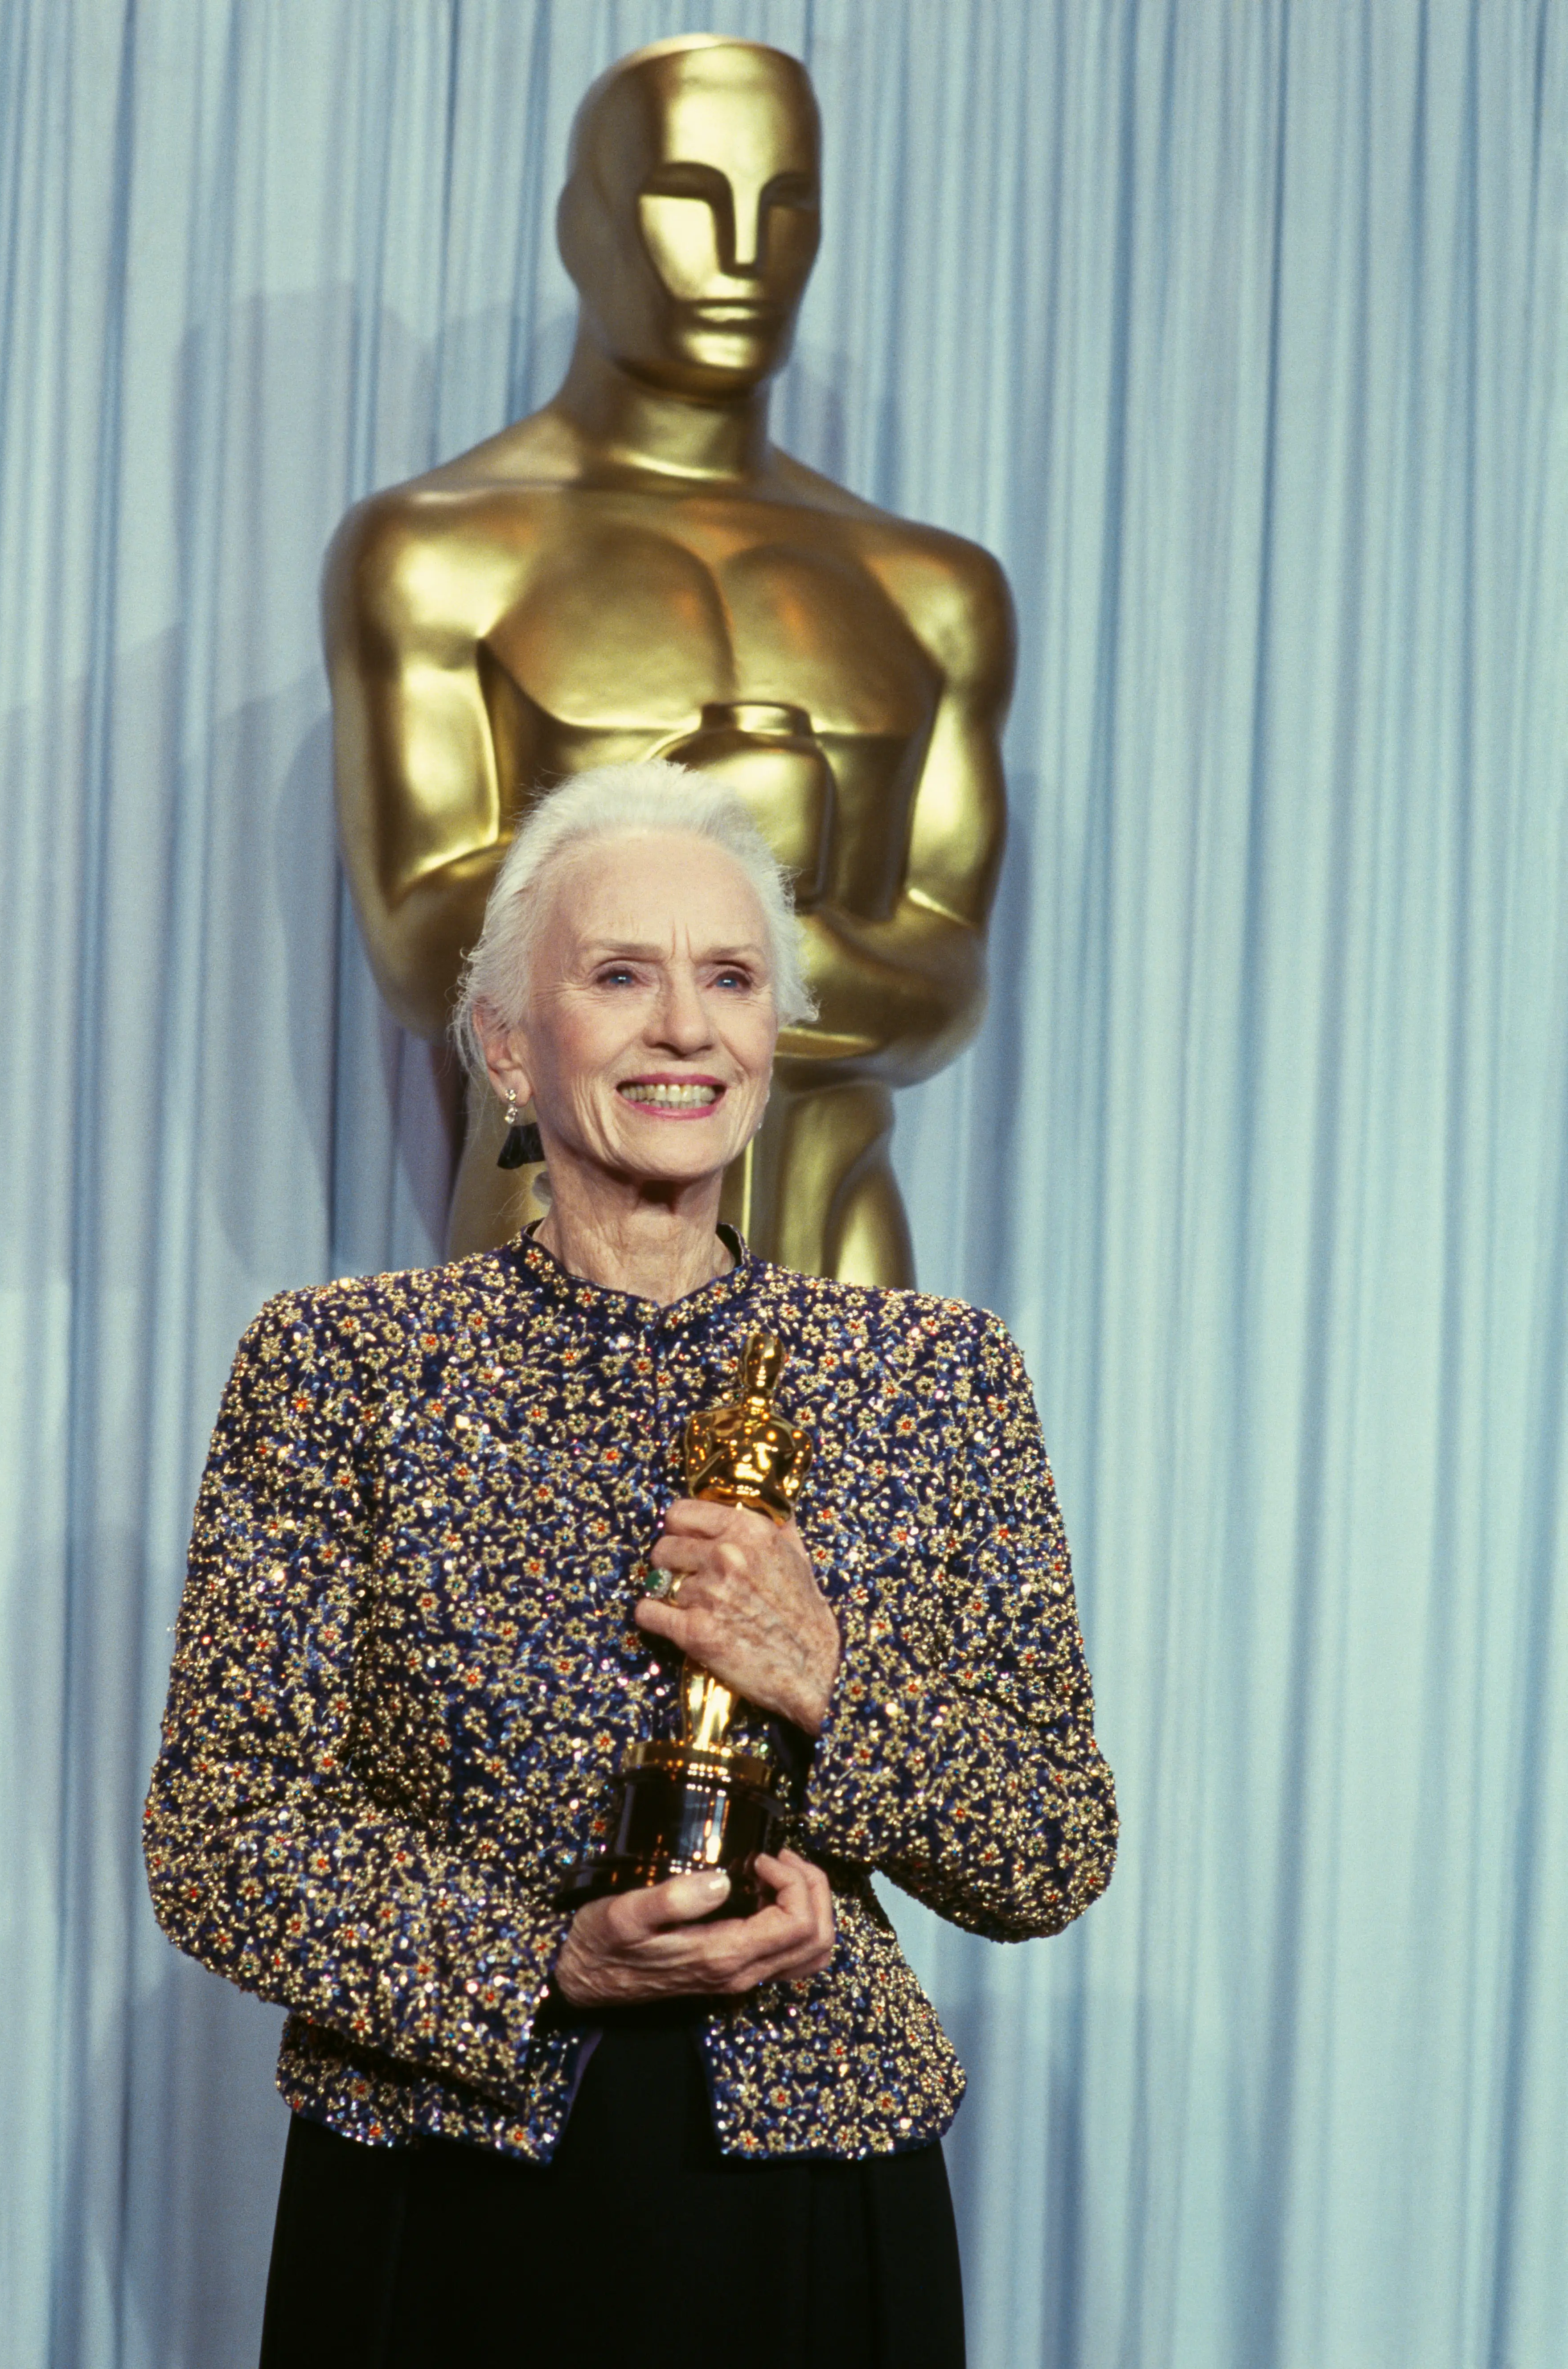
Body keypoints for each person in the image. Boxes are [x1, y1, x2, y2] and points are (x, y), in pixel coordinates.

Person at [144, 760, 1117, 2368]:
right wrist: (546, 1962)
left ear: (771, 1043)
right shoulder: (342, 1364)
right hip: (438, 2182)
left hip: (814, 2184)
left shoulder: (935, 1373)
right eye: (620, 976)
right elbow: (222, 1832)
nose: (687, 1028)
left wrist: (827, 1683)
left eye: (731, 979)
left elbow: (1050, 1852)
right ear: (511, 1047)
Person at [324, 34, 1016, 1282]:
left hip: (841, 1242)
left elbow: (947, 983)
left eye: (784, 204)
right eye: (689, 197)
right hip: (558, 1240)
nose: (743, 255)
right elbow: (428, 947)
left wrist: (650, 938)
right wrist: (715, 859)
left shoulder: (930, 588)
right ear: (582, 224)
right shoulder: (439, 552)